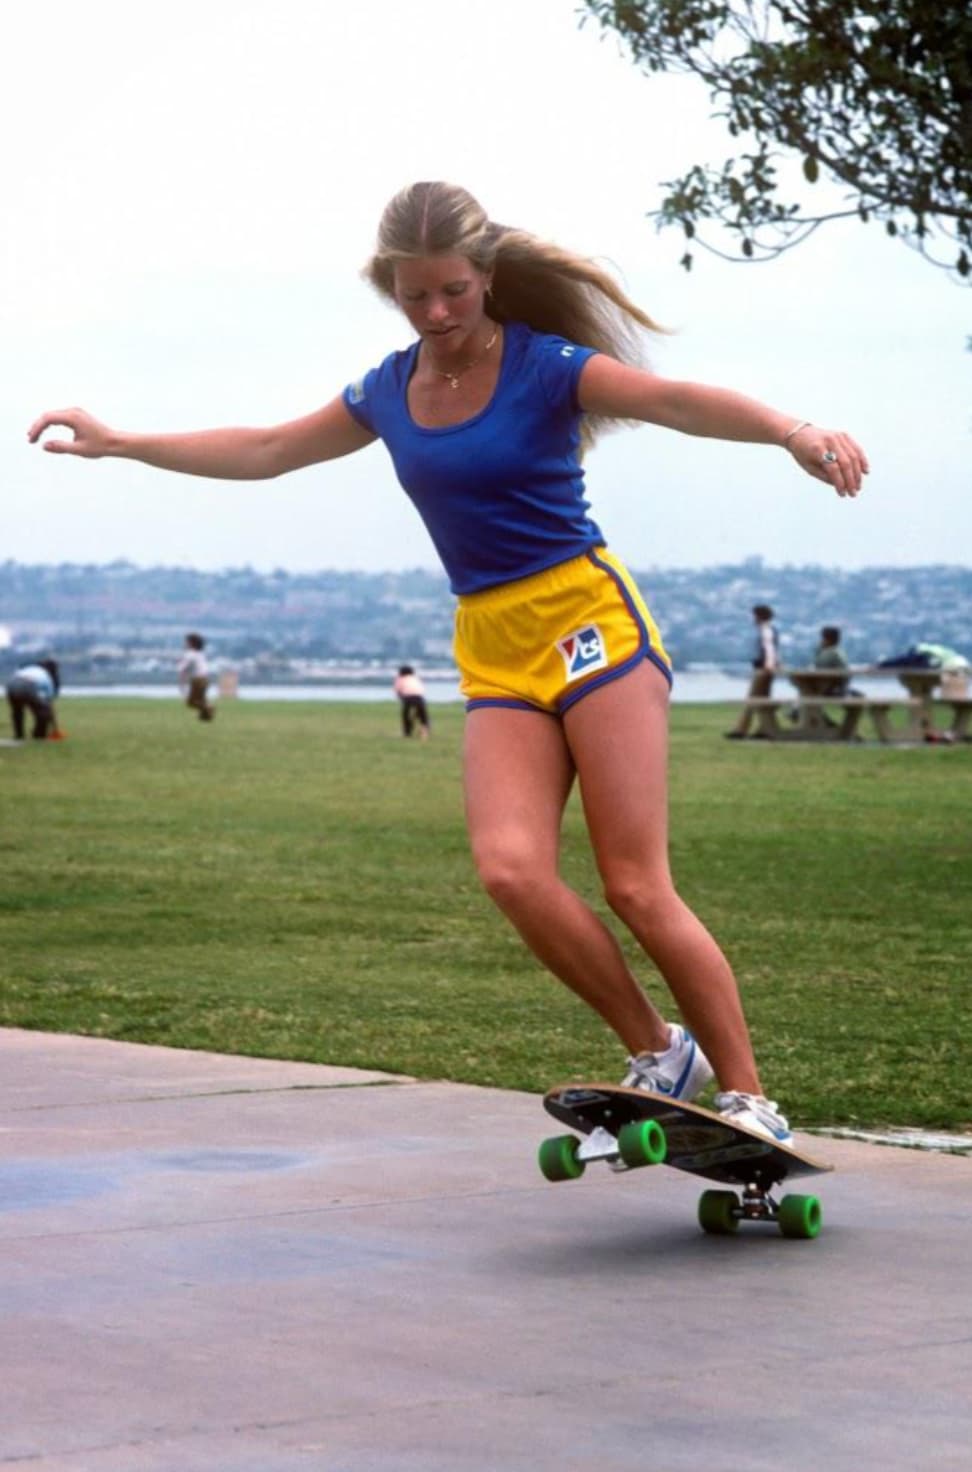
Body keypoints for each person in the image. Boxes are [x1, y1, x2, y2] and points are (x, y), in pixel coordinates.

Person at [27, 180, 869, 1145]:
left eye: (455, 293)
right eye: (414, 294)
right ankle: (660, 1050)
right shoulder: (388, 389)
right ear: (390, 285)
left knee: (636, 883)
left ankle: (750, 1096)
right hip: (493, 642)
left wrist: (791, 432)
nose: (435, 313)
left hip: (591, 624)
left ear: (487, 278)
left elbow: (675, 400)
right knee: (511, 870)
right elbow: (266, 448)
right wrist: (124, 442)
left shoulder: (548, 367)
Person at [726, 604, 780, 739]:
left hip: (763, 669)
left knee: (752, 699)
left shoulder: (766, 629)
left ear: (759, 616)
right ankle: (764, 729)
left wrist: (768, 665)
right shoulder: (768, 629)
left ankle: (741, 730)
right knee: (763, 700)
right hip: (766, 668)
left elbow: (769, 649)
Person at [6, 658, 61, 740]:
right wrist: (54, 726)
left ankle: (19, 735)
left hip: (12, 683)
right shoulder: (47, 676)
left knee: (17, 711)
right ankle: (38, 736)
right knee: (43, 713)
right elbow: (49, 703)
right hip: (29, 684)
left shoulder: (29, 669)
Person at [177, 633, 215, 722]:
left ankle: (209, 708)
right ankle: (206, 718)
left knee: (191, 702)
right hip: (205, 679)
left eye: (186, 642)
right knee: (201, 700)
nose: (185, 644)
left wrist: (182, 681)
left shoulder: (190, 654)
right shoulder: (200, 654)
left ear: (191, 643)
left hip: (197, 680)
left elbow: (182, 668)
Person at [393, 664, 431, 740]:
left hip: (407, 697)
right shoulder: (415, 678)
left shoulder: (400, 678)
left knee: (405, 715)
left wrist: (401, 698)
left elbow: (397, 690)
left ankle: (407, 732)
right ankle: (424, 731)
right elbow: (421, 688)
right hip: (419, 697)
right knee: (422, 715)